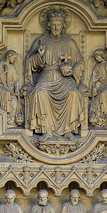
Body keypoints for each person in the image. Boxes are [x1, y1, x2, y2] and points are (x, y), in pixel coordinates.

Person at [24, 8, 85, 137]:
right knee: (39, 92)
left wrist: (72, 71)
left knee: (73, 93)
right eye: (54, 25)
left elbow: (80, 62)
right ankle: (46, 129)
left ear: (63, 26)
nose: (56, 27)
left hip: (64, 78)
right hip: (47, 75)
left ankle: (68, 129)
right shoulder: (41, 41)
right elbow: (29, 62)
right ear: (49, 26)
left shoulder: (69, 43)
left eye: (59, 25)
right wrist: (38, 56)